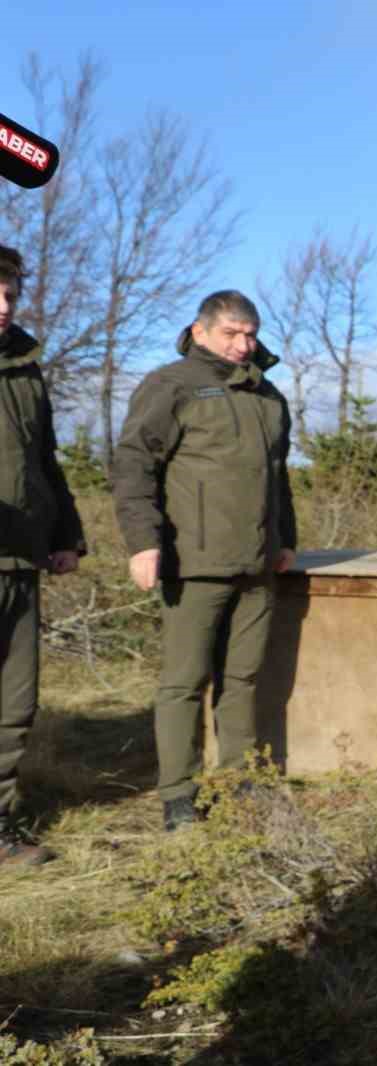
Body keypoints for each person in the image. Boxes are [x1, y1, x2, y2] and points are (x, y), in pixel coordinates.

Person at [113, 291, 297, 831]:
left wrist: (285, 539)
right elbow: (133, 463)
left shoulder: (268, 395)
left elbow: (277, 476)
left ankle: (240, 784)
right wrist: (143, 541)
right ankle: (179, 796)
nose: (243, 345)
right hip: (193, 562)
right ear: (200, 332)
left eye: (250, 335)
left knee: (243, 678)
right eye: (230, 334)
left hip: (258, 563)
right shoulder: (172, 385)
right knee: (184, 682)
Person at [0, 245, 87, 867]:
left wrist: (64, 534)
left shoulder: (26, 370)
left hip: (19, 561)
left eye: (9, 294)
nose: (4, 307)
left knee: (14, 703)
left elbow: (45, 461)